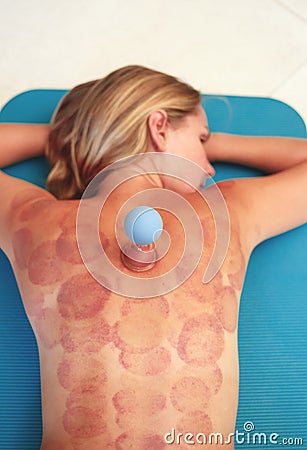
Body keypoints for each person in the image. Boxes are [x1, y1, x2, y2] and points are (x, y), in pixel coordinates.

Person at [0, 65, 306, 450]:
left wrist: (67, 134)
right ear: (159, 127)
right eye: (202, 139)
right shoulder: (223, 213)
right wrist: (220, 143)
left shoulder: (40, 223)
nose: (209, 165)